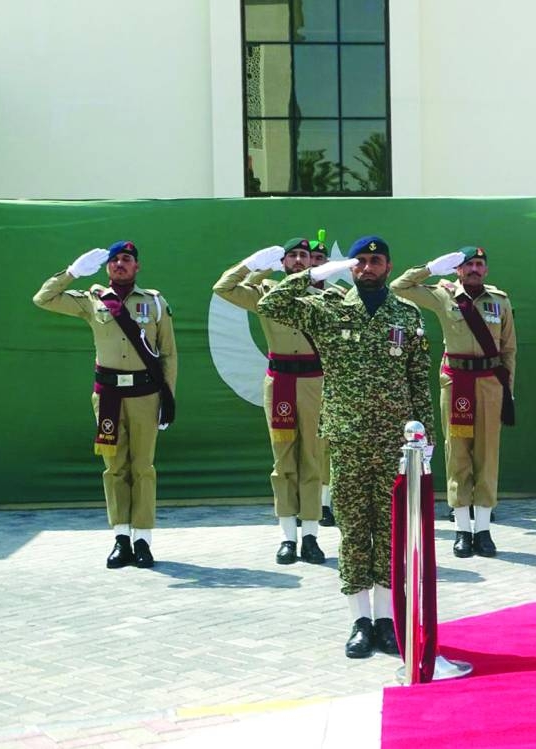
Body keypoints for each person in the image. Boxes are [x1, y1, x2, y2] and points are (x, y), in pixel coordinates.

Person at [257, 235, 436, 659]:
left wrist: (424, 437)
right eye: (361, 262)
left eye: (376, 261)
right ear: (350, 268)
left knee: (390, 533)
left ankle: (387, 620)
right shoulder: (330, 307)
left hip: (395, 440)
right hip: (348, 437)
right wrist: (313, 275)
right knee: (355, 530)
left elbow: (418, 380)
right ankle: (359, 620)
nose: (368, 267)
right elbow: (271, 306)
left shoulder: (407, 315)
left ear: (389, 267)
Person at [33, 241, 177, 569]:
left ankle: (143, 540)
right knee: (115, 468)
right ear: (107, 267)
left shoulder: (154, 302)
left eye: (126, 259)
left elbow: (168, 353)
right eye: (114, 260)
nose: (119, 264)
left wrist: (168, 397)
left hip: (144, 395)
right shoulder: (92, 300)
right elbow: (43, 299)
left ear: (137, 266)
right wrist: (71, 272)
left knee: (143, 467)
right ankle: (121, 538)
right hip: (108, 396)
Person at [213, 235, 332, 566]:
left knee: (312, 456)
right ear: (282, 264)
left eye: (303, 256)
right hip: (279, 380)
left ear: (312, 262)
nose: (297, 260)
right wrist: (251, 265)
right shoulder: (266, 294)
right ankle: (287, 537)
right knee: (283, 460)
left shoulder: (328, 297)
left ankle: (310, 535)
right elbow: (223, 288)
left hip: (314, 381)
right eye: (291, 256)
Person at [390, 246, 516, 559]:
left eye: (479, 265)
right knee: (457, 453)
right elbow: (399, 286)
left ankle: (483, 530)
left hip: (489, 384)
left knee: (487, 455)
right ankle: (462, 529)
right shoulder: (444, 295)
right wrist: (431, 268)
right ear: (457, 270)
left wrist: (508, 391)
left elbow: (509, 350)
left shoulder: (499, 301)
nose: (474, 269)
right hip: (456, 382)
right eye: (467, 265)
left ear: (486, 270)